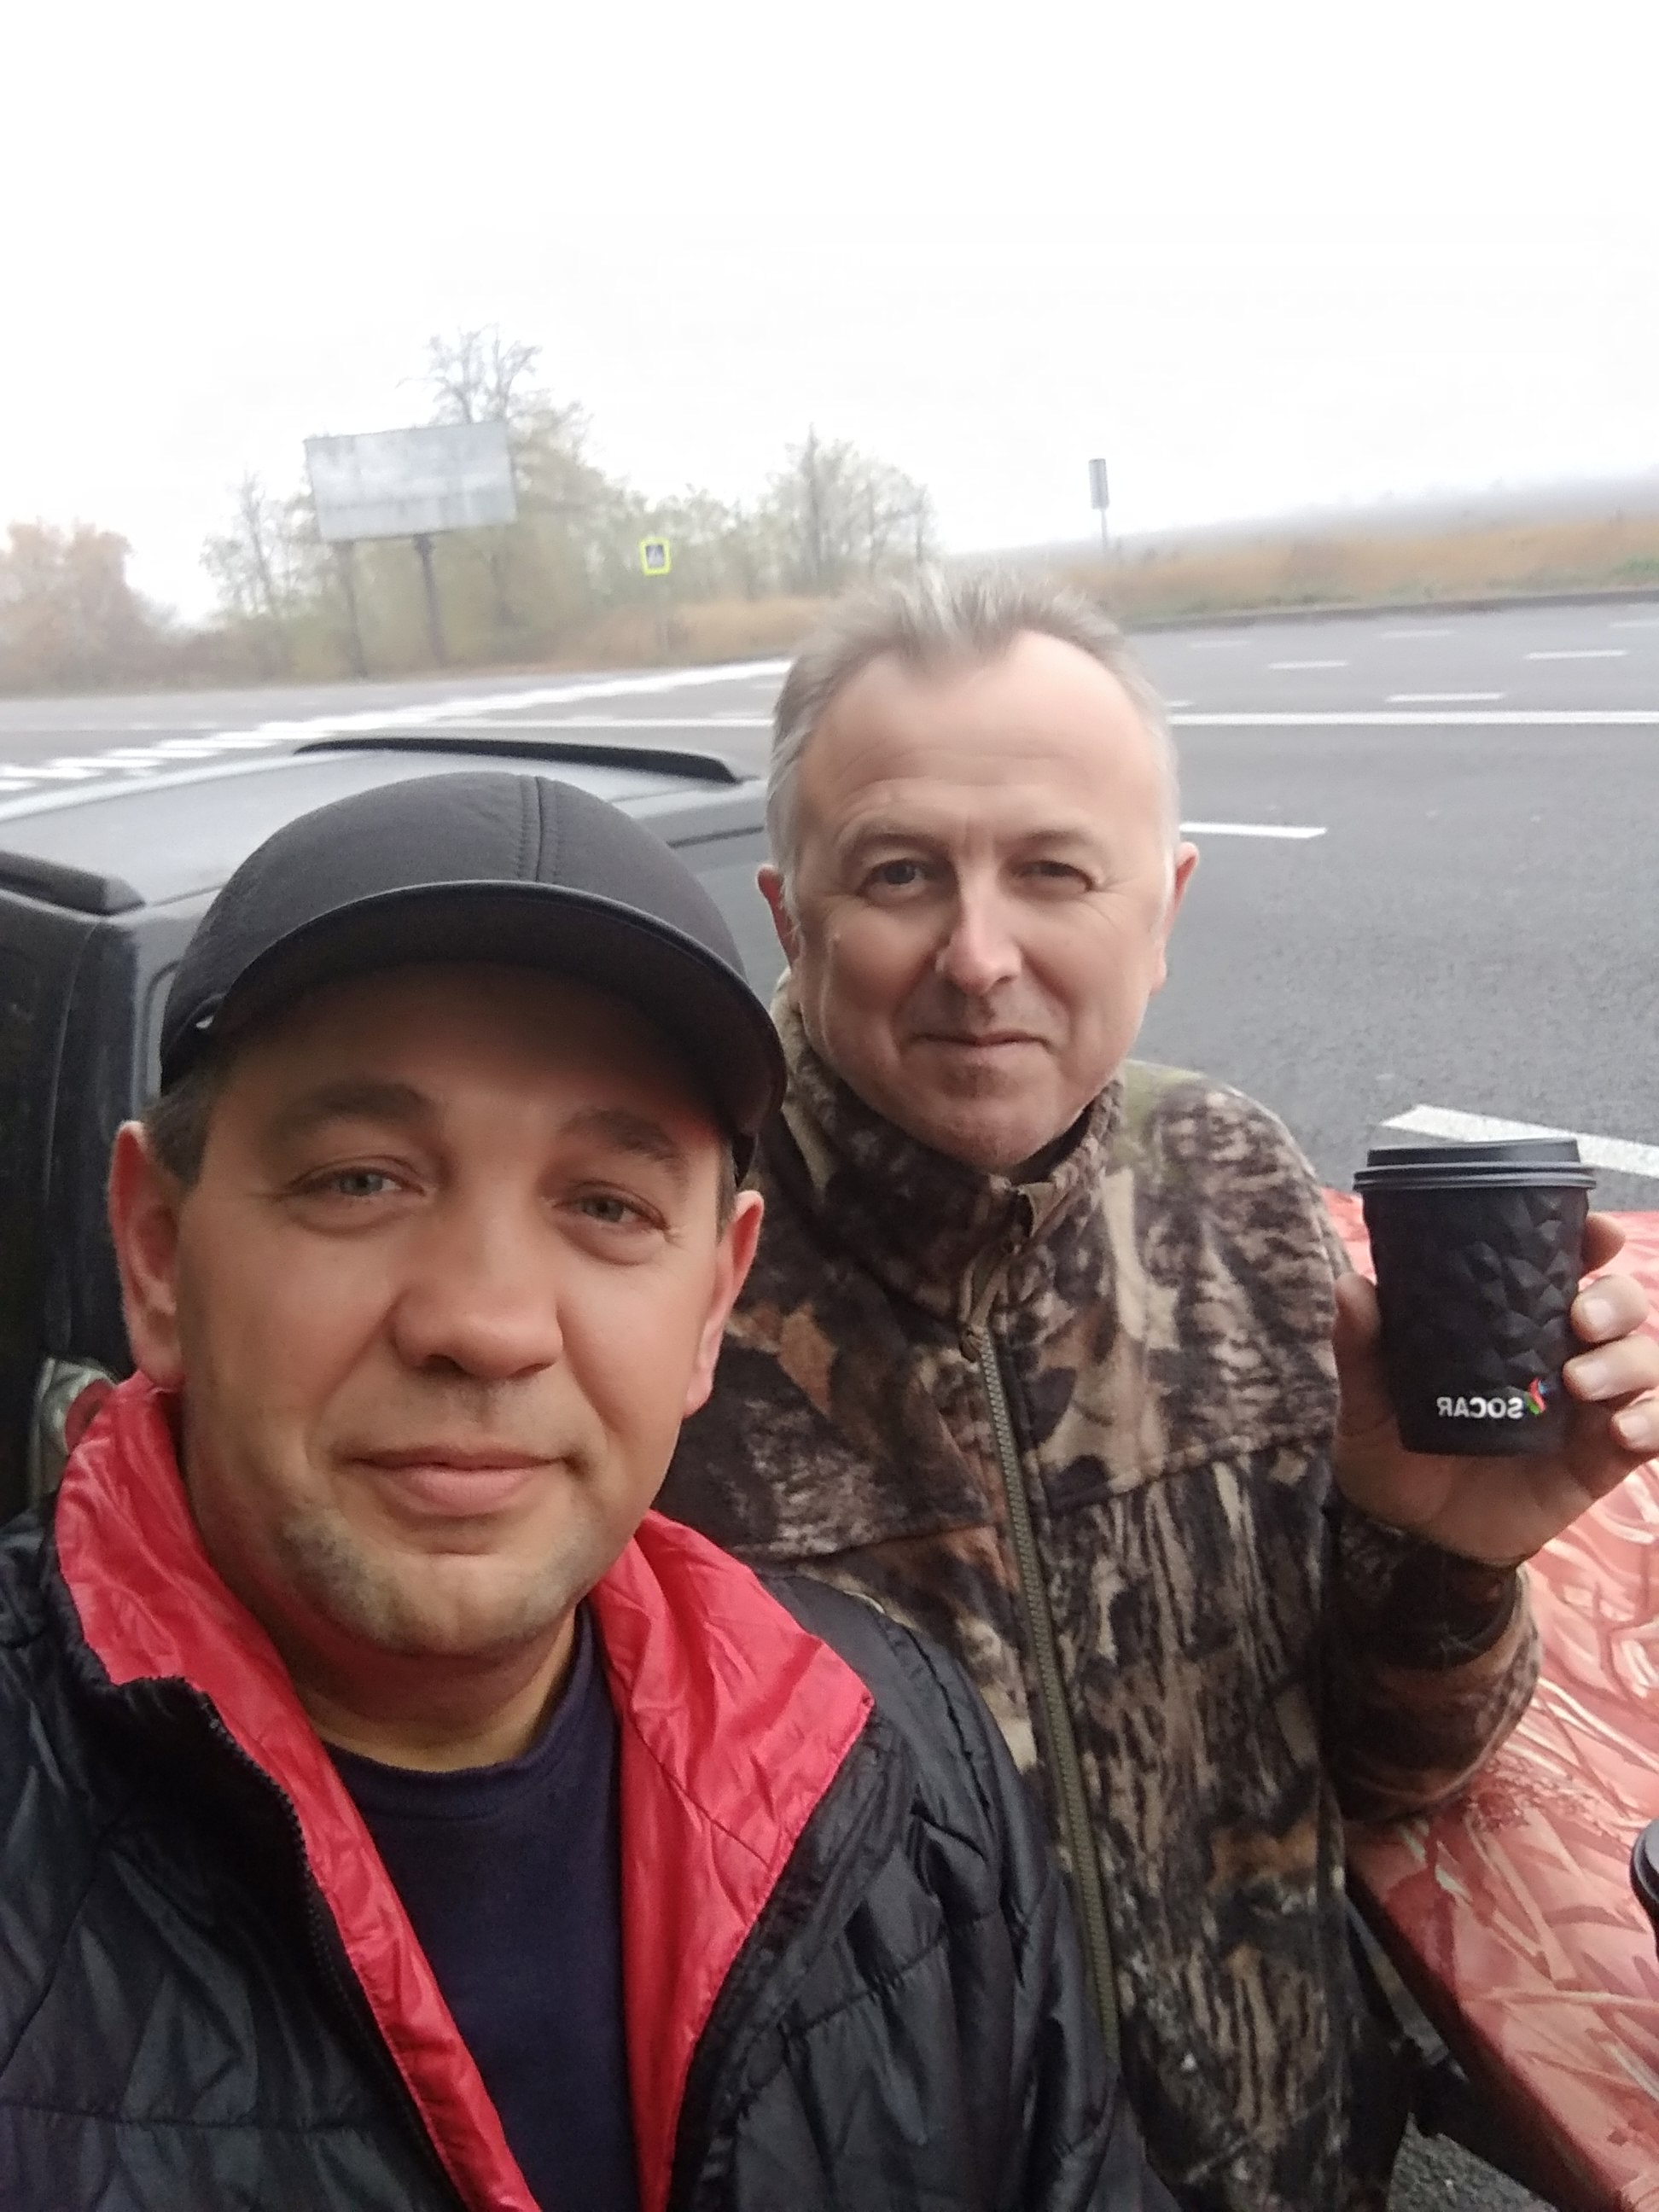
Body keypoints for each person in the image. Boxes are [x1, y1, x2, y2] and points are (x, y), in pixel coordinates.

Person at [0, 770, 1173, 2211]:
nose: (487, 1324)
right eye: (360, 1181)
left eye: (608, 1205)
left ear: (713, 1305)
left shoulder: (895, 1756)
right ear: (158, 1258)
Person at [659, 573, 1659, 2210]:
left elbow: (1380, 1780)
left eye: (1055, 871)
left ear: (1165, 906)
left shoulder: (1233, 1185)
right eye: (900, 874)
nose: (980, 958)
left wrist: (1450, 1556)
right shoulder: (664, 1273)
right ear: (790, 914)